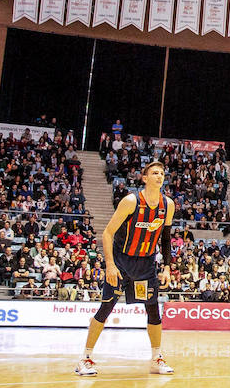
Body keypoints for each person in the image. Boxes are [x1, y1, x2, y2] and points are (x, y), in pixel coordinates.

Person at [74, 160, 175, 376]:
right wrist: (110, 265)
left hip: (146, 263)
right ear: (145, 178)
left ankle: (156, 358)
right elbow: (107, 233)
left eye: (162, 173)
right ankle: (85, 358)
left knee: (153, 310)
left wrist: (167, 267)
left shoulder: (168, 205)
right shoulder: (131, 201)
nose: (159, 176)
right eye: (154, 173)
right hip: (121, 261)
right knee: (106, 308)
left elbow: (166, 239)